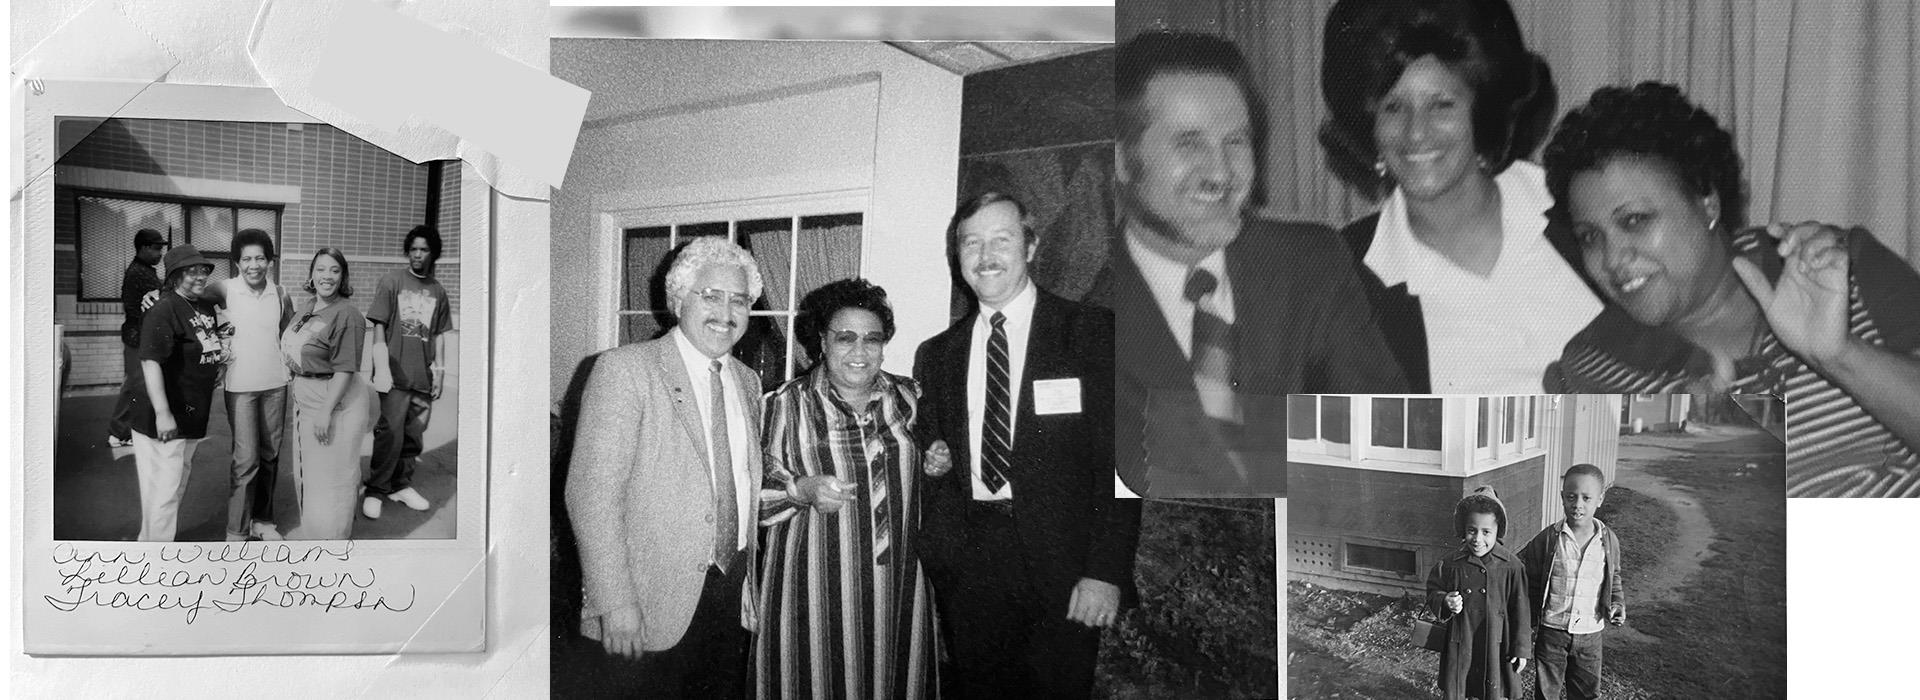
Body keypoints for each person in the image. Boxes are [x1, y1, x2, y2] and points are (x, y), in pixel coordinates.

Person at [1541, 82, 1920, 497]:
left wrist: (1839, 354)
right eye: (1590, 236)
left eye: (1634, 220)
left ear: (1708, 203)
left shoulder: (1838, 268)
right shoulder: (1590, 369)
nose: (1611, 259)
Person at [1113, 31, 1407, 497]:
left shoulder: (1313, 262)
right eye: (1189, 143)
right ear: (1124, 163)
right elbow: (1138, 476)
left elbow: (1391, 437)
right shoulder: (1084, 313)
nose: (1222, 172)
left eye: (1236, 141)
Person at [914, 192, 1140, 699]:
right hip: (971, 567)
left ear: (1031, 246)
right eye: (971, 242)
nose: (985, 254)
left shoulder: (1091, 332)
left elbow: (1124, 461)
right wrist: (935, 455)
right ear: (958, 257)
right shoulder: (938, 354)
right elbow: (935, 440)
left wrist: (1105, 571)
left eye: (1002, 239)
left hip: (1065, 568)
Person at [1320, 0, 1601, 393]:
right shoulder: (1343, 278)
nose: (1416, 133)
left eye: (1442, 105)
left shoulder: (1581, 210)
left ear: (1482, 112)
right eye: (1393, 108)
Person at [566, 238, 765, 699]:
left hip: (728, 591)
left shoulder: (748, 382)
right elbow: (591, 495)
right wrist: (615, 602)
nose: (726, 311)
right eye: (710, 295)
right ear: (678, 299)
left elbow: (743, 481)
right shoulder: (625, 370)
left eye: (739, 300)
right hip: (645, 600)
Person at [754, 278, 935, 699]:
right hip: (810, 597)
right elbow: (743, 498)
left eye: (872, 339)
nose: (860, 351)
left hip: (897, 596)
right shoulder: (781, 405)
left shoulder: (912, 398)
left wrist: (937, 459)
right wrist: (799, 489)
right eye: (845, 338)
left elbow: (942, 474)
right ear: (821, 341)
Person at [127, 245, 230, 541]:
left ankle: (150, 545)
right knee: (164, 491)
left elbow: (213, 340)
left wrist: (217, 365)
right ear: (173, 276)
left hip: (190, 414)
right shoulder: (164, 308)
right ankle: (156, 558)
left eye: (203, 270)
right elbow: (150, 361)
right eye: (190, 271)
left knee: (172, 487)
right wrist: (162, 415)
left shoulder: (204, 305)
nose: (199, 276)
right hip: (163, 415)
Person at [278, 248, 371, 540]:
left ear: (342, 277)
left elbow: (345, 370)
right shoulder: (309, 307)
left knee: (335, 478)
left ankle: (333, 544)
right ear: (311, 274)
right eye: (321, 269)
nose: (327, 276)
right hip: (307, 396)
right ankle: (315, 535)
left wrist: (325, 411)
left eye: (334, 270)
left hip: (334, 400)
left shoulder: (348, 314)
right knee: (311, 475)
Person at [363, 224, 452, 520]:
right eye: (413, 249)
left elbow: (438, 334)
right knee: (389, 432)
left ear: (433, 253)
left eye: (424, 249)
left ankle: (400, 485)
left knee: (414, 434)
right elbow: (378, 324)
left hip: (421, 377)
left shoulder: (438, 291)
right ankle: (376, 489)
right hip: (394, 374)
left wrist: (439, 371)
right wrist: (380, 364)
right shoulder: (392, 281)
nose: (417, 255)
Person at [211, 229, 294, 542]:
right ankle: (237, 529)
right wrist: (158, 294)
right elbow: (186, 296)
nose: (254, 265)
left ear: (269, 260)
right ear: (236, 262)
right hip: (241, 386)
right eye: (246, 259)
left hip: (276, 384)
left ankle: (263, 521)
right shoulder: (224, 288)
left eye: (260, 257)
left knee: (270, 455)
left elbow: (293, 332)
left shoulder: (281, 293)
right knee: (246, 460)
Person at [1518, 464, 1625, 700]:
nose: (1578, 504)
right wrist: (1527, 620)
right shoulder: (1548, 539)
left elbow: (1614, 578)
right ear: (1562, 497)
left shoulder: (1607, 541)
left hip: (1590, 633)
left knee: (1585, 693)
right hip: (1552, 631)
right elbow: (1528, 579)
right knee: (1547, 692)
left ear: (1600, 499)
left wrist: (1616, 604)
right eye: (1571, 497)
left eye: (1586, 498)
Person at [1426, 486, 1531, 700]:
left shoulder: (1511, 566)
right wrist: (1445, 600)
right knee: (1459, 687)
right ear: (1463, 529)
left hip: (1496, 641)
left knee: (1494, 688)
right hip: (1461, 639)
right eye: (1472, 530)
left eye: (1486, 532)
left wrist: (1521, 649)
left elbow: (1521, 610)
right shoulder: (1450, 563)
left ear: (1497, 532)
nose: (1477, 539)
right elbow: (1433, 590)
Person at [109, 228, 167, 448]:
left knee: (137, 385)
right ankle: (118, 433)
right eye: (156, 248)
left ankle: (126, 431)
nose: (160, 253)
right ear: (143, 247)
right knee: (135, 385)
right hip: (137, 337)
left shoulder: (144, 270)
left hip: (139, 336)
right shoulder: (139, 273)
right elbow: (160, 300)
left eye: (161, 249)